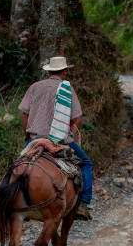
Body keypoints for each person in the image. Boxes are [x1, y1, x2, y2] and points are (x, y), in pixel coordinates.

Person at [18, 56, 94, 220]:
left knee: (16, 166)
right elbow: (77, 117)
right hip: (59, 141)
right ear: (65, 71)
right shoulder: (67, 89)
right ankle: (83, 204)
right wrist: (70, 132)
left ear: (49, 71)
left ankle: (12, 202)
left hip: (35, 139)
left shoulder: (34, 87)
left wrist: (28, 133)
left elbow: (24, 113)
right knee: (87, 164)